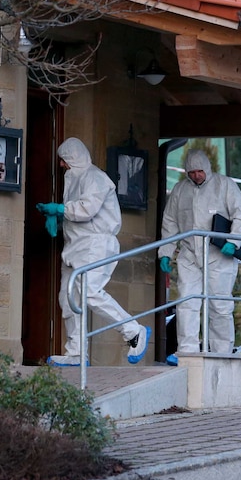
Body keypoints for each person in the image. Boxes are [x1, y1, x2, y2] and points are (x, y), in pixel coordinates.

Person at [37, 137, 150, 367]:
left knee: (89, 292)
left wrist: (60, 209)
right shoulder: (75, 178)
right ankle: (77, 353)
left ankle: (133, 330)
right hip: (76, 246)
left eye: (64, 160)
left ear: (74, 158)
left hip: (96, 246)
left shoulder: (96, 177)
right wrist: (58, 220)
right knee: (68, 299)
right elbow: (78, 217)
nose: (62, 165)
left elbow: (87, 210)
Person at [158, 149, 241, 365]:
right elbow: (170, 222)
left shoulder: (224, 185)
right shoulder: (181, 191)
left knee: (219, 305)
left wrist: (233, 241)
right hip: (190, 254)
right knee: (187, 303)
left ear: (207, 169)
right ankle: (187, 351)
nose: (196, 176)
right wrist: (165, 252)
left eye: (200, 171)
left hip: (219, 255)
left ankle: (221, 352)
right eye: (192, 172)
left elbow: (240, 214)